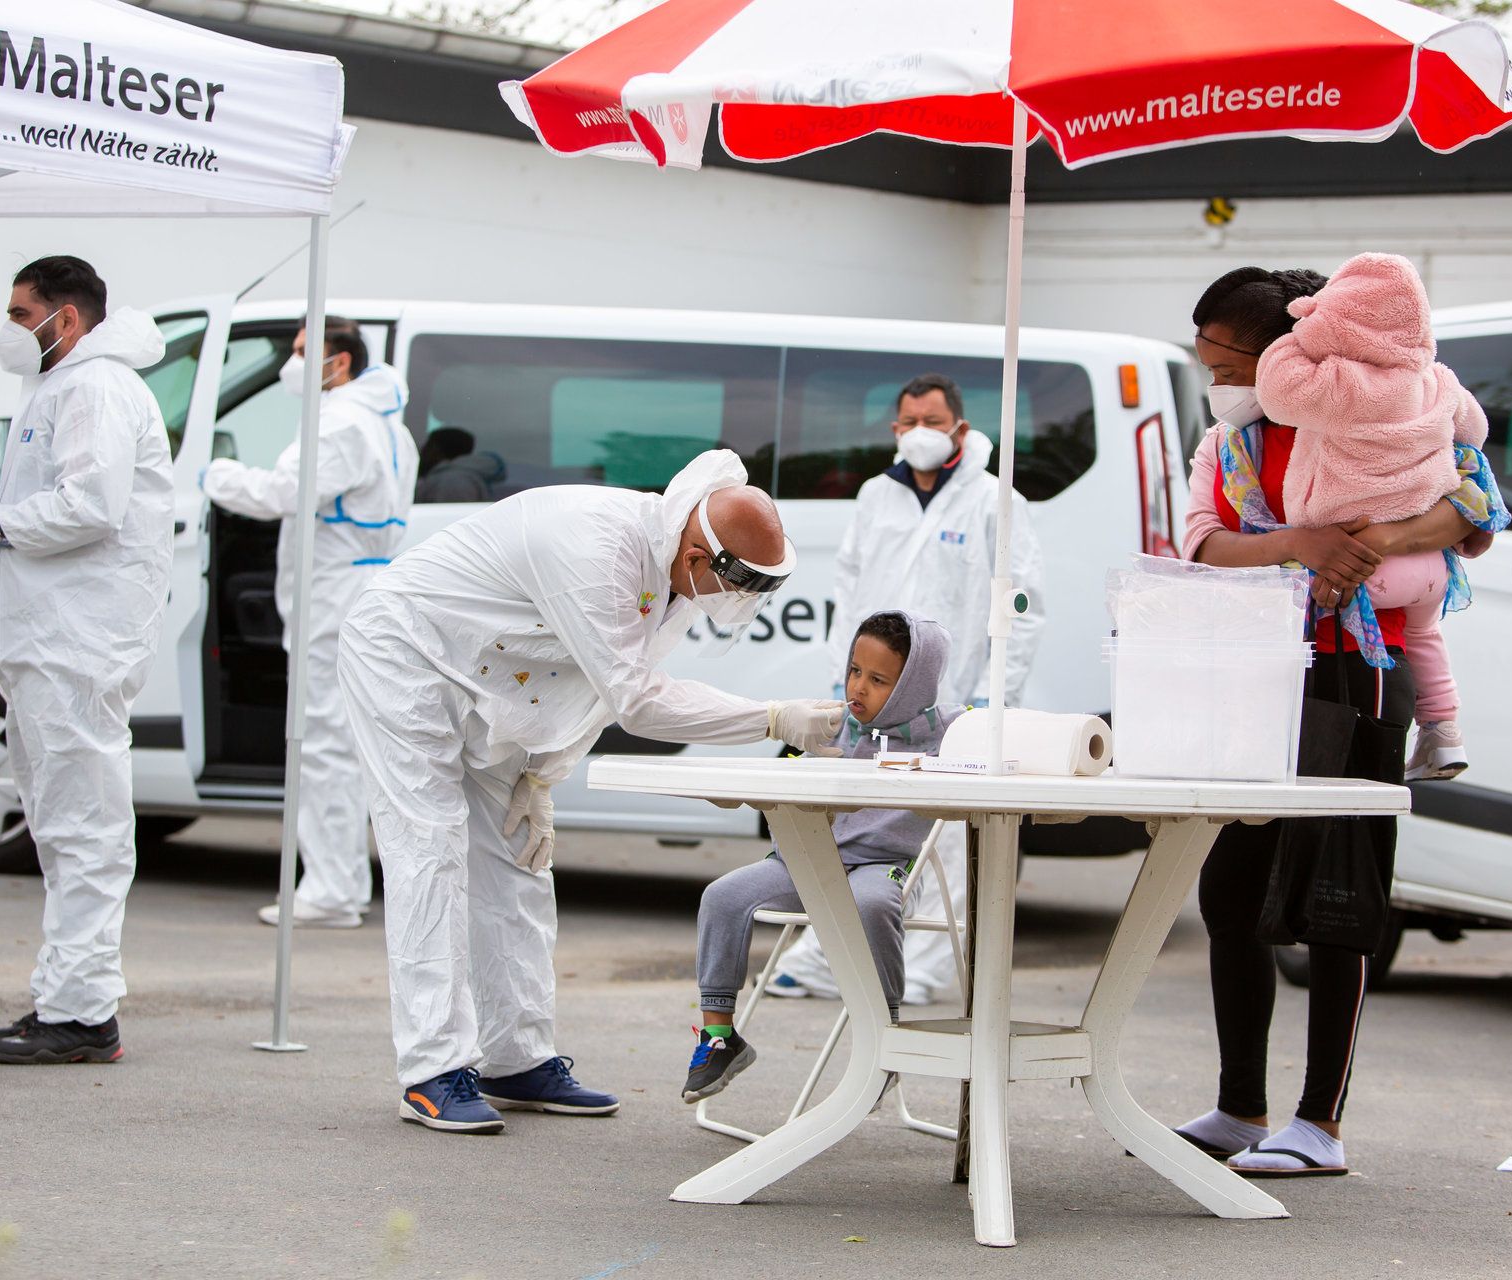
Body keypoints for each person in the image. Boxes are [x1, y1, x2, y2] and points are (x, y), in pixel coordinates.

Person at [339, 450, 846, 1134]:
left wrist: (541, 777)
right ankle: (431, 1071)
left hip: (486, 674)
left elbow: (588, 688)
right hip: (404, 652)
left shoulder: (673, 576)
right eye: (745, 579)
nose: (747, 595)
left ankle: (517, 1059)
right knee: (429, 852)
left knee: (518, 862)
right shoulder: (601, 548)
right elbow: (635, 700)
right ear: (699, 552)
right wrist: (773, 718)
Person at [1179, 265, 1498, 1177]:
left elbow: (1476, 511)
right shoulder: (1229, 444)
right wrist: (1299, 545)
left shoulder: (1392, 412)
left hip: (1364, 671)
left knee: (1340, 894)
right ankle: (1241, 1106)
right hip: (1259, 675)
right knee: (1231, 892)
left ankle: (1320, 1123)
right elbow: (1199, 541)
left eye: (1226, 362)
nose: (1216, 380)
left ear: (1287, 351)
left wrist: (1378, 543)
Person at [0, 256, 173, 1065]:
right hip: (56, 639)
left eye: (19, 312)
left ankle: (82, 1014)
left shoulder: (95, 387)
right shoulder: (61, 386)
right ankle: (67, 999)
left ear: (64, 318)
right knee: (64, 824)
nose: (9, 329)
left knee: (84, 828)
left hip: (79, 640)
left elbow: (91, 506)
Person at [771, 373, 1046, 1006]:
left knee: (941, 834)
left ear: (960, 428)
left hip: (954, 698)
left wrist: (994, 696)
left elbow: (1023, 605)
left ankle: (919, 969)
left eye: (933, 421)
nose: (920, 432)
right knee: (853, 821)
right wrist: (842, 676)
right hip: (872, 694)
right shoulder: (877, 495)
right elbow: (848, 585)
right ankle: (824, 958)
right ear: (895, 429)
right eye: (909, 422)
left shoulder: (994, 501)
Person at [683, 610, 962, 1102]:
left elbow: (1008, 735)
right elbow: (787, 774)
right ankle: (719, 1037)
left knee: (870, 904)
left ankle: (885, 1038)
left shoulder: (947, 732)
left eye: (879, 681)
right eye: (855, 671)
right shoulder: (830, 724)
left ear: (912, 687)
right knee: (722, 897)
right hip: (806, 861)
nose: (859, 688)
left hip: (883, 865)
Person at [1254, 252, 1507, 780]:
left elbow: (1275, 389)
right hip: (1429, 565)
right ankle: (1443, 731)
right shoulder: (1437, 382)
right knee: (1424, 636)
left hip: (1357, 564)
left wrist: (1310, 326)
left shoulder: (1339, 383)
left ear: (1338, 319)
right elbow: (1475, 433)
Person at [203, 318, 418, 928]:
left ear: (340, 362)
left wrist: (211, 473)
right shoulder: (387, 424)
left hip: (336, 596)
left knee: (324, 744)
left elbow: (281, 494)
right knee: (343, 744)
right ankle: (339, 884)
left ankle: (331, 891)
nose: (291, 363)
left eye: (303, 351)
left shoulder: (340, 422)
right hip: (363, 589)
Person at [415, 427, 500, 504]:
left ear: (435, 450)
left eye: (427, 447)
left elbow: (449, 514)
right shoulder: (456, 478)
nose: (421, 452)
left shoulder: (452, 481)